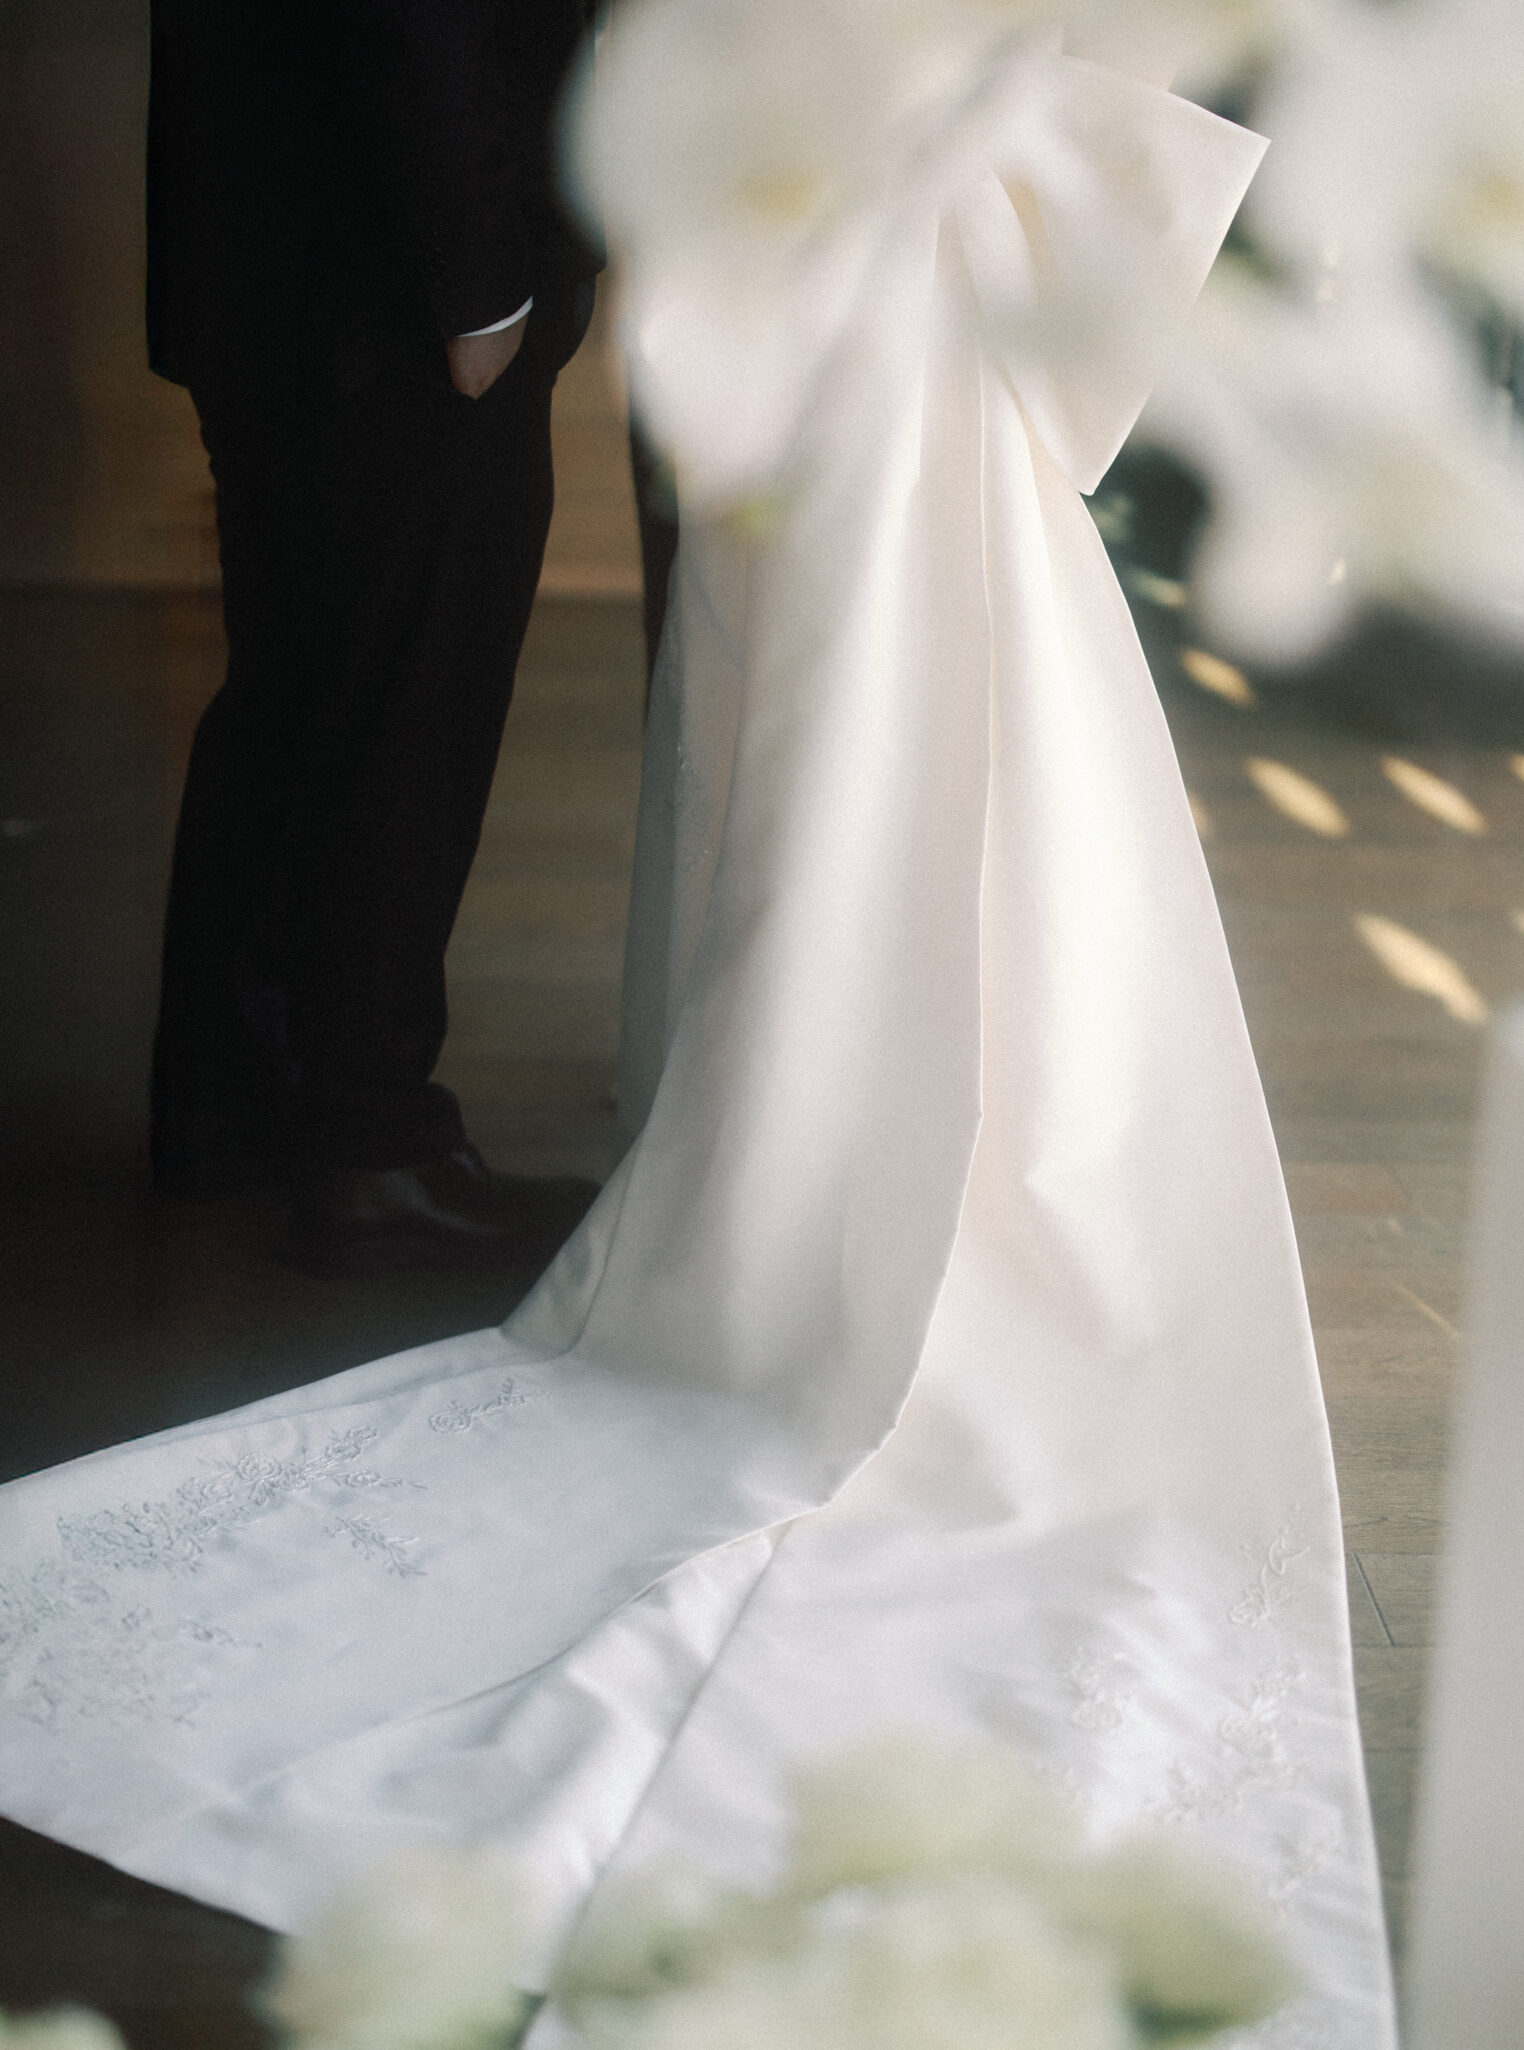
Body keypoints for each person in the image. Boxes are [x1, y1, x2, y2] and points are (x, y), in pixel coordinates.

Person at [0, 6, 1397, 2043]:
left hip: (786, 217)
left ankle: (332, 1107)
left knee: (559, 696)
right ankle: (375, 1121)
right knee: (451, 691)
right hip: (602, 229)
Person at [145, 0, 601, 1272]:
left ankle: (234, 1101)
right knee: (409, 709)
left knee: (299, 686)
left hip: (275, 247)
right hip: (392, 282)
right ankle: (367, 1144)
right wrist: (477, 284)